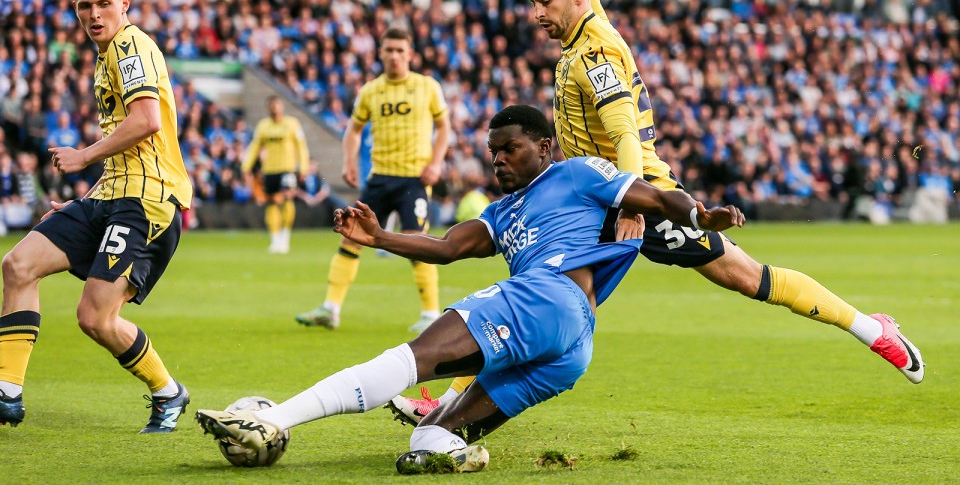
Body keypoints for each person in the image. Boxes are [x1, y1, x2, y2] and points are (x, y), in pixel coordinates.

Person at [388, 0, 924, 424]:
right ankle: (451, 405)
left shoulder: (594, 51)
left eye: (545, 2)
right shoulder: (584, 24)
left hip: (632, 194)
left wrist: (628, 201)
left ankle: (872, 330)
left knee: (743, 276)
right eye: (534, 2)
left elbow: (623, 130)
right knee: (540, 300)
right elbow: (586, 13)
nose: (536, 14)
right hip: (587, 196)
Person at [195, 104, 744, 473]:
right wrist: (379, 235)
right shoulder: (502, 211)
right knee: (428, 439)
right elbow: (446, 248)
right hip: (570, 348)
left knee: (410, 358)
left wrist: (698, 213)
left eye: (511, 148)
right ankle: (459, 453)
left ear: (545, 147)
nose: (499, 158)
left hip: (547, 296)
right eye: (493, 152)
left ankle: (271, 421)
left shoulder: (577, 174)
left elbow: (654, 197)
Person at [0, 0, 192, 432]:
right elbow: (133, 144)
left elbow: (147, 120)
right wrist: (89, 198)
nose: (94, 14)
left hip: (146, 203)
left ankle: (169, 392)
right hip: (111, 195)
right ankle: (6, 390)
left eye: (104, 3)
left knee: (96, 317)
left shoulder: (130, 46)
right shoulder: (107, 54)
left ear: (124, 3)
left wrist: (83, 156)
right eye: (85, 6)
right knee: (18, 266)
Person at [295, 28, 451, 333]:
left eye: (399, 50)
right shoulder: (370, 91)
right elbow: (353, 130)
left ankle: (431, 314)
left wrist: (436, 162)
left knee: (416, 241)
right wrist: (349, 162)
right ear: (380, 54)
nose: (393, 55)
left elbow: (444, 127)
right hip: (379, 177)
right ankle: (331, 309)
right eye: (388, 50)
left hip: (413, 177)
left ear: (409, 54)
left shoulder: (427, 87)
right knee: (351, 235)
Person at [241, 96, 309, 254]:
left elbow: (301, 146)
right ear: (268, 107)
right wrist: (246, 167)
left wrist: (303, 167)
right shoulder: (263, 126)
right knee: (271, 203)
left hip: (287, 169)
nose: (274, 108)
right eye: (271, 105)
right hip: (269, 170)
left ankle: (285, 237)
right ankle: (275, 239)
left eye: (276, 105)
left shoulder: (292, 124)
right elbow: (254, 146)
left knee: (286, 199)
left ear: (282, 106)